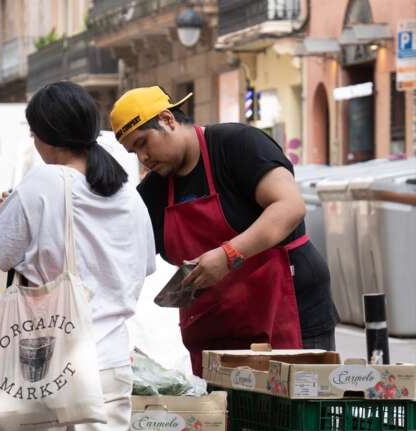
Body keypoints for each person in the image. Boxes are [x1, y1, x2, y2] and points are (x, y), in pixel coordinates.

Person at [0, 82, 155, 431]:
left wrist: (10, 213)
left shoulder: (42, 182)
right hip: (111, 365)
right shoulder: (127, 193)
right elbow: (144, 267)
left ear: (45, 135)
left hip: (48, 360)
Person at [111, 86, 337, 375]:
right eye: (134, 151)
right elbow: (126, 254)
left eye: (144, 142)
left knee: (295, 412)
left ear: (168, 120)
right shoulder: (154, 192)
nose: (143, 157)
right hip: (217, 323)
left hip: (288, 308)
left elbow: (289, 206)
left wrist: (228, 255)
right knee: (226, 418)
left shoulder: (237, 145)